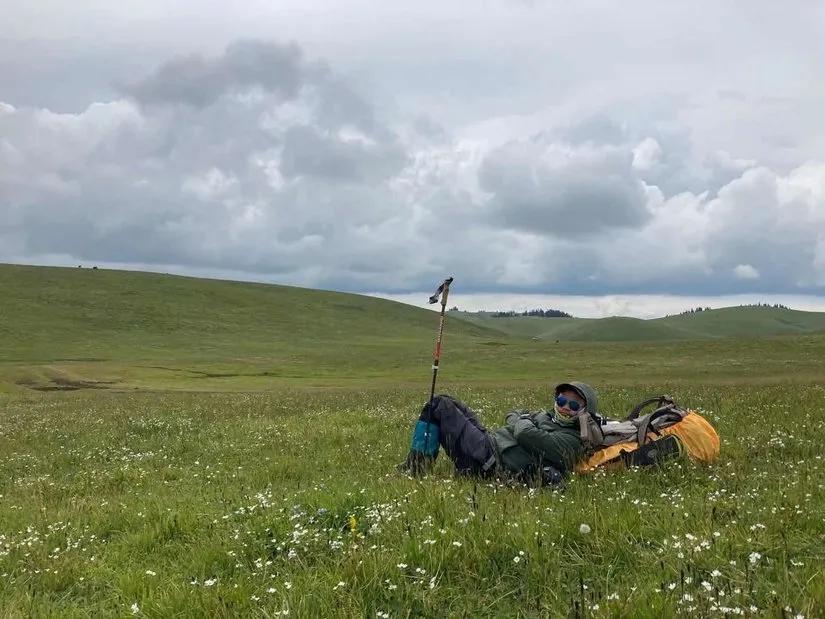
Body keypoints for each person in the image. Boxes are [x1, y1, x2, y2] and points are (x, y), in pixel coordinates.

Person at [399, 382, 599, 486]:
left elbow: (524, 432)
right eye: (561, 400)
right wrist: (524, 421)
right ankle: (417, 462)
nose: (565, 407)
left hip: (489, 462)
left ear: (585, 411)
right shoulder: (547, 416)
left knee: (439, 406)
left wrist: (524, 421)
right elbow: (513, 413)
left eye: (573, 405)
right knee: (447, 399)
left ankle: (415, 469)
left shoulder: (572, 441)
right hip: (489, 443)